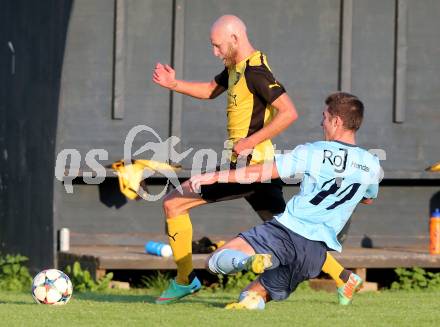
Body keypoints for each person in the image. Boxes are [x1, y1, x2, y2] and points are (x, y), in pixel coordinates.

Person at [152, 15, 349, 304]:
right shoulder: (235, 67)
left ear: (235, 39)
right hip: (260, 169)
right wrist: (173, 83)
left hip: (249, 167)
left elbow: (289, 112)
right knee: (292, 230)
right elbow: (209, 90)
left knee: (174, 203)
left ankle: (185, 280)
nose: (215, 52)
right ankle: (346, 278)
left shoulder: (256, 72)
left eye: (218, 46)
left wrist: (251, 141)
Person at [190, 92, 381, 309]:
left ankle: (248, 261)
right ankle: (252, 298)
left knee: (214, 261)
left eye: (325, 117)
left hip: (285, 232)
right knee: (251, 297)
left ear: (337, 121)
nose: (322, 122)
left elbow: (261, 172)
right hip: (314, 253)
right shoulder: (372, 164)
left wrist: (214, 176)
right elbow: (367, 199)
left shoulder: (314, 151)